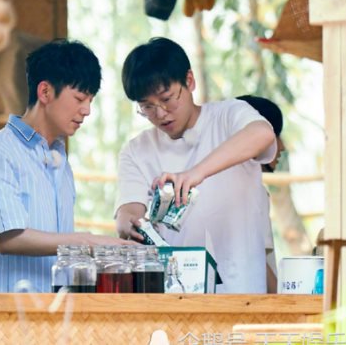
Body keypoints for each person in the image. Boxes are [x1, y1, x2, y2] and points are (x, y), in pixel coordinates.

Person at [0, 39, 132, 293]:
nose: (87, 110)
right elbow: (9, 239)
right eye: (79, 98)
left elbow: (60, 249)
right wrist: (88, 241)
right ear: (45, 92)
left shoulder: (61, 162)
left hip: (52, 310)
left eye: (90, 100)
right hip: (3, 312)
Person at [115, 37, 277, 293]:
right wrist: (130, 225)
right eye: (147, 107)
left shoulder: (228, 115)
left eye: (167, 99)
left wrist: (194, 174)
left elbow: (262, 134)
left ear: (189, 81)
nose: (160, 114)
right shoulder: (137, 150)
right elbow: (129, 210)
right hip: (177, 297)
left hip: (244, 292)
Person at [236, 95, 286, 294]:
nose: (282, 146)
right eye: (276, 135)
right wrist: (282, 304)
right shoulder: (252, 191)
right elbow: (257, 260)